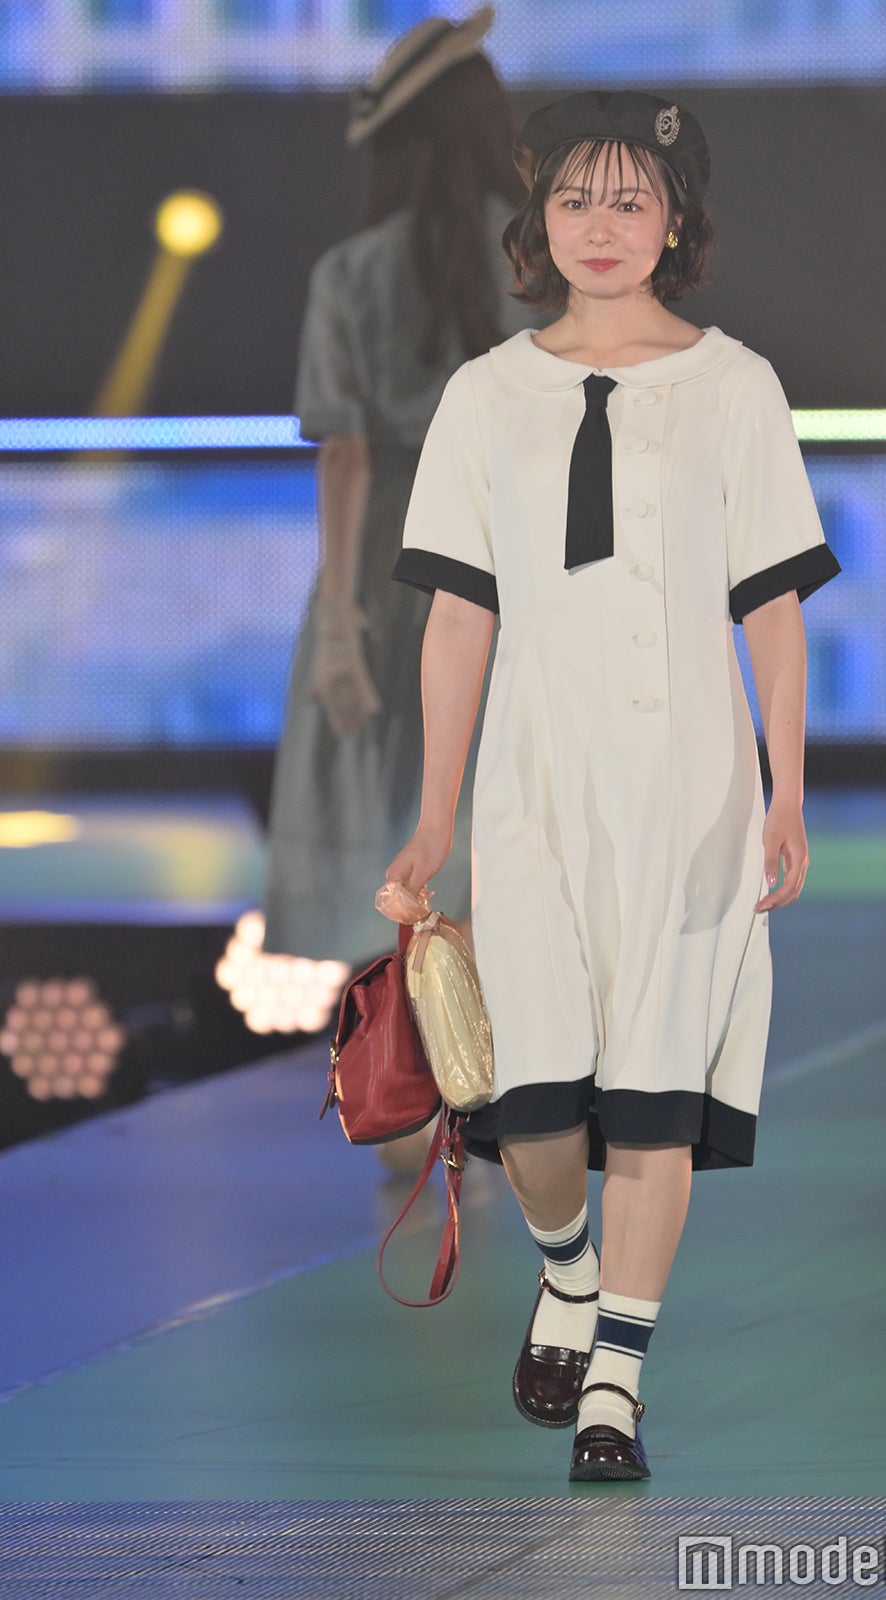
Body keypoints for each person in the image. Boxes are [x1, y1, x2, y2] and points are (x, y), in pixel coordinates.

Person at [386, 90, 841, 1482]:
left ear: (676, 223)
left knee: (654, 1096)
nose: (601, 225)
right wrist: (433, 820)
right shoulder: (487, 395)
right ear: (538, 221)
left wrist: (785, 790)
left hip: (690, 789)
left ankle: (615, 1391)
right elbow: (457, 617)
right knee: (528, 1104)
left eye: (630, 200)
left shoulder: (735, 386)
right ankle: (568, 1272)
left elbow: (772, 611)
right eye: (575, 199)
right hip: (534, 784)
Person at [261, 6, 541, 983]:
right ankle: (508, 1048)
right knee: (513, 809)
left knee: (391, 812)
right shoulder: (546, 261)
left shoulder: (351, 273)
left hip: (391, 571)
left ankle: (412, 1054)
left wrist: (341, 627)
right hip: (518, 560)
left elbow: (346, 454)